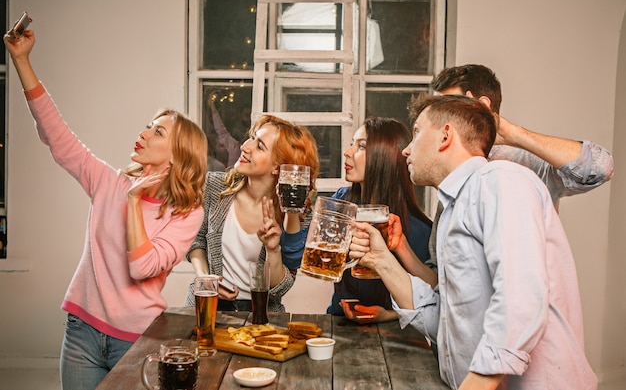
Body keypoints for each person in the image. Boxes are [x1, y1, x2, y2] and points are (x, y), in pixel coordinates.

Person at [4, 30, 208, 390]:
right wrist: (21, 60)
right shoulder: (108, 182)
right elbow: (57, 135)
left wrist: (133, 200)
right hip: (81, 332)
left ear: (179, 156)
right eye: (148, 126)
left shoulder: (186, 214)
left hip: (138, 338)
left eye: (157, 132)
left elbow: (141, 267)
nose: (144, 134)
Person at [349, 94, 597, 389]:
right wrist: (381, 259)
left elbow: (520, 299)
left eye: (416, 133)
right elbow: (446, 321)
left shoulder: (500, 180)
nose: (406, 151)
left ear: (445, 135)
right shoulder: (455, 207)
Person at [185, 114, 320, 312]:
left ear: (278, 167)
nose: (245, 146)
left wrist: (273, 249)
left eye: (259, 146)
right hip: (207, 307)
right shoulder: (214, 186)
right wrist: (205, 279)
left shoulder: (295, 214)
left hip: (261, 316)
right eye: (252, 138)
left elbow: (280, 288)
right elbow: (196, 239)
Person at [431, 64, 614, 210]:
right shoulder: (449, 168)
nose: (437, 118)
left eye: (448, 107)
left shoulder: (522, 164)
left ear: (482, 106)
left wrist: (510, 132)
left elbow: (601, 167)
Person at [327, 117, 433, 323]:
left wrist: (390, 315)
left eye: (361, 146)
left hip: (394, 336)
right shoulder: (341, 201)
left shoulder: (417, 230)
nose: (347, 152)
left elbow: (434, 299)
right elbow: (319, 261)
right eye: (352, 144)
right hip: (338, 323)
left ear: (385, 157)